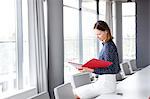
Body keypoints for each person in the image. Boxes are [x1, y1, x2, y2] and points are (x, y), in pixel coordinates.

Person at [74, 20, 121, 99]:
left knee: (76, 93)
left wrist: (89, 69)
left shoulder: (108, 47)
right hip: (105, 83)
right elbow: (110, 67)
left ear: (106, 31)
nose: (97, 36)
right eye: (96, 34)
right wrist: (91, 67)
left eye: (99, 34)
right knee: (76, 91)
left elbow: (113, 69)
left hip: (106, 85)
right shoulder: (107, 45)